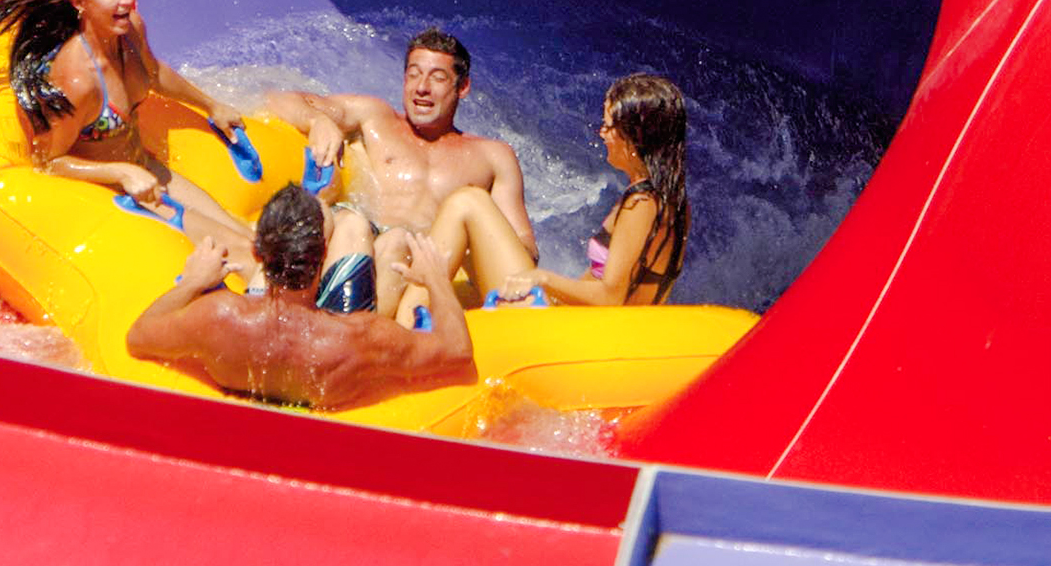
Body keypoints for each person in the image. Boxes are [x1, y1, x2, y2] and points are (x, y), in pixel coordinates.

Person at [0, 0, 259, 273]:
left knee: (251, 241)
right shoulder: (77, 80)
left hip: (144, 168)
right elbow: (48, 161)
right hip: (109, 192)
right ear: (79, 2)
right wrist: (119, 172)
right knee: (245, 258)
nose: (127, 0)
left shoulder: (131, 30)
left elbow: (155, 73)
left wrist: (211, 105)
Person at [125, 184, 475, 410]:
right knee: (371, 232)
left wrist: (192, 283)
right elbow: (457, 352)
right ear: (323, 255)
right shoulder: (363, 336)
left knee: (341, 222)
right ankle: (341, 220)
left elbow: (138, 337)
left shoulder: (218, 316)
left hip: (250, 335)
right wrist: (437, 280)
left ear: (257, 254)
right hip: (330, 350)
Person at [264, 27, 535, 317]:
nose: (422, 88)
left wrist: (468, 245)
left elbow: (526, 251)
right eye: (414, 75)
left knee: (401, 241)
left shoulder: (492, 156)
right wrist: (317, 120)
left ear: (463, 86)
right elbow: (278, 99)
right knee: (379, 234)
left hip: (426, 279)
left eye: (437, 78)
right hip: (366, 253)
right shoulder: (374, 119)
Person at [403, 73, 689, 312]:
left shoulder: (642, 203)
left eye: (608, 126)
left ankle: (405, 329)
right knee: (466, 259)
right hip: (581, 322)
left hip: (579, 335)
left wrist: (543, 279)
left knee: (468, 201)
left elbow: (611, 297)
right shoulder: (669, 199)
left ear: (635, 135)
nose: (602, 134)